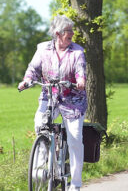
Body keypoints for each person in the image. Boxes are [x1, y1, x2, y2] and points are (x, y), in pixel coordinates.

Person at [18, 14, 87, 191]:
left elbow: (80, 70)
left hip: (73, 99)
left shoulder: (77, 51)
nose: (72, 34)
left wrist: (80, 81)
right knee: (40, 125)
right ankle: (40, 167)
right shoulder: (42, 49)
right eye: (68, 31)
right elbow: (33, 69)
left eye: (72, 30)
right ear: (57, 33)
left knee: (74, 139)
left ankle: (76, 184)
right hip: (49, 96)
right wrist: (26, 81)